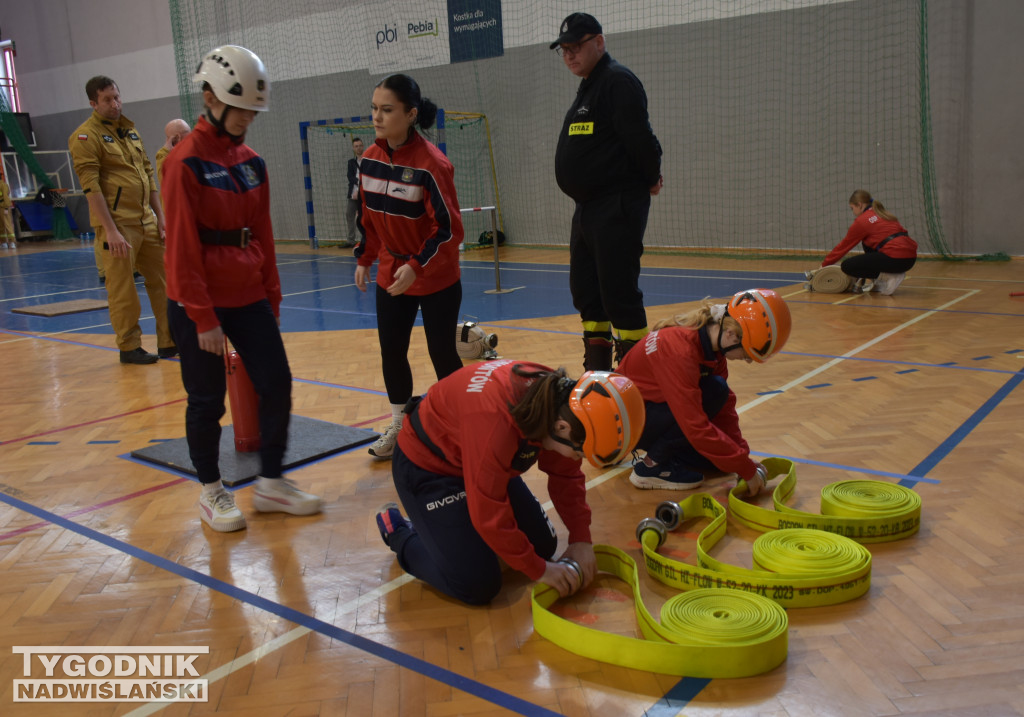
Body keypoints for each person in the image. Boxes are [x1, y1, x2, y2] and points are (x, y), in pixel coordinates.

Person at [162, 45, 322, 532]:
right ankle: (212, 491)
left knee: (276, 382)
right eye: (240, 109)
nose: (246, 120)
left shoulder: (253, 162)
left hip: (248, 296)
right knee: (207, 400)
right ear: (210, 97)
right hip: (200, 302)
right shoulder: (182, 162)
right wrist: (203, 317)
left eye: (253, 111)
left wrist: (271, 298)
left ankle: (272, 482)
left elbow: (263, 235)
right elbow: (181, 248)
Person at [374, 361, 645, 605]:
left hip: (478, 457)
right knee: (477, 585)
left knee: (542, 546)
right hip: (429, 469)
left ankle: (449, 530)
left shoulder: (563, 403)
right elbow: (488, 514)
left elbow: (566, 476)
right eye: (579, 453)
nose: (577, 459)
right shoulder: (496, 422)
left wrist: (581, 540)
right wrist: (540, 571)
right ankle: (400, 532)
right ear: (562, 428)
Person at [354, 73, 464, 461]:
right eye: (374, 109)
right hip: (390, 274)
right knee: (392, 351)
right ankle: (400, 422)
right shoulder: (368, 160)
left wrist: (417, 266)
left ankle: (458, 428)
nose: (377, 117)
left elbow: (449, 231)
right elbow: (368, 218)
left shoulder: (432, 164)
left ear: (410, 114)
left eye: (387, 110)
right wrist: (365, 258)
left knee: (443, 354)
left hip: (434, 276)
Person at [552, 12, 663, 372]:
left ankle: (637, 379)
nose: (569, 55)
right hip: (588, 209)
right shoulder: (589, 84)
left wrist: (650, 176)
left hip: (616, 204)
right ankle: (597, 377)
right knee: (587, 294)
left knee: (619, 295)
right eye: (564, 49)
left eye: (576, 47)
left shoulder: (617, 81)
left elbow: (641, 139)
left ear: (599, 42)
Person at [616, 289, 792, 495]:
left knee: (720, 462)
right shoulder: (679, 351)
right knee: (715, 389)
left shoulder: (712, 349)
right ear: (731, 335)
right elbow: (694, 424)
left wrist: (742, 458)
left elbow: (724, 408)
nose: (747, 360)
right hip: (626, 426)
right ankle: (650, 468)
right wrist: (744, 467)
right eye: (746, 353)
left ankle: (667, 454)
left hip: (651, 413)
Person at [68, 75, 175, 364]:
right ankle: (130, 347)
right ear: (93, 103)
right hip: (118, 226)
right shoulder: (85, 136)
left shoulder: (130, 131)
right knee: (123, 290)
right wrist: (110, 230)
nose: (115, 103)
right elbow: (91, 188)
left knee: (164, 282)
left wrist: (160, 217)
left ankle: (169, 341)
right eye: (107, 99)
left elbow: (148, 175)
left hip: (145, 220)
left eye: (117, 97)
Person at [819, 189, 918, 296]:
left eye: (852, 208)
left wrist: (824, 265)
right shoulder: (884, 214)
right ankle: (878, 283)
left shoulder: (862, 221)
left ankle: (890, 277)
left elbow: (844, 246)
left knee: (847, 266)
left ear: (859, 205)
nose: (853, 212)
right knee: (867, 242)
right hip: (910, 259)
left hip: (895, 258)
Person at [341, 136, 365, 248]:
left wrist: (361, 184)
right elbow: (350, 176)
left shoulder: (368, 160)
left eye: (360, 146)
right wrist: (358, 182)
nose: (358, 148)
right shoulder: (351, 162)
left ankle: (366, 240)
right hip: (353, 194)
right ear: (353, 148)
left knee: (365, 217)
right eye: (356, 146)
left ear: (363, 146)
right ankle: (351, 240)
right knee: (349, 214)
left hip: (365, 195)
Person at [155, 118, 191, 183]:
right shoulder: (199, 151)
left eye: (168, 137)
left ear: (178, 137)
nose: (166, 141)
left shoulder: (174, 159)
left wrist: (164, 152)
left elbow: (165, 180)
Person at [0, 174, 14, 249]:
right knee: (1, 226)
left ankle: (11, 242)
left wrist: (6, 208)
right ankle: (3, 242)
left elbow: (6, 197)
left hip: (3, 207)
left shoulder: (3, 185)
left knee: (7, 224)